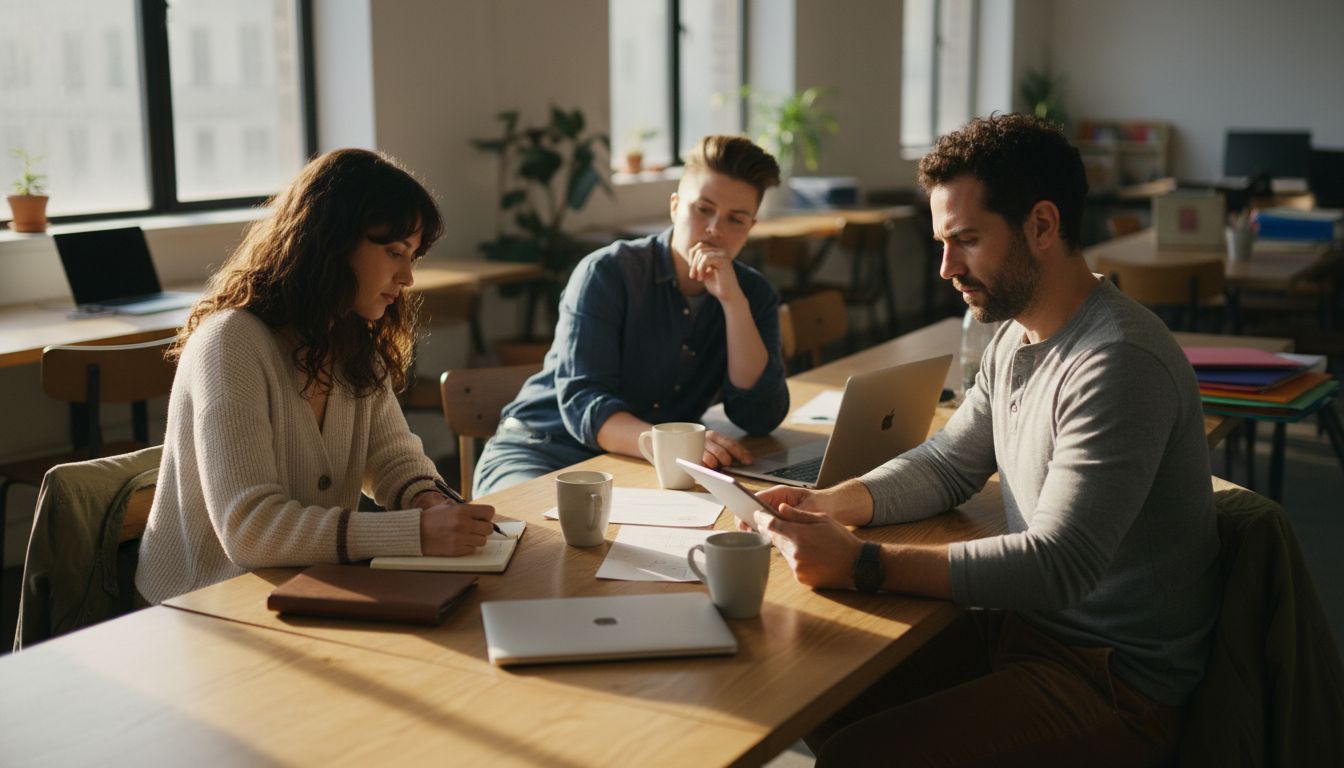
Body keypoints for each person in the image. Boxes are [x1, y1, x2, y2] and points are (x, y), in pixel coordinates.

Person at [751, 114, 1220, 767]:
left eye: (966, 240)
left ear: (1043, 225)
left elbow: (1059, 565)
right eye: (942, 242)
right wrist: (831, 503)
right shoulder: (1014, 336)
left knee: (856, 755)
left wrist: (862, 563)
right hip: (1025, 634)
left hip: (1111, 682)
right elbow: (950, 463)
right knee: (816, 683)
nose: (946, 268)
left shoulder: (1117, 362)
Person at [136, 148, 496, 605]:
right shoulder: (231, 342)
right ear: (332, 243)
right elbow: (249, 529)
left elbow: (393, 460)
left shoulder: (350, 340)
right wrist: (415, 532)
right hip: (201, 602)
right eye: (394, 252)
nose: (407, 277)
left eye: (412, 257)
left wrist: (431, 500)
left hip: (300, 587)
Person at [472, 135, 790, 496]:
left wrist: (734, 304)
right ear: (675, 207)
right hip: (542, 451)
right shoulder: (607, 273)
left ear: (751, 228)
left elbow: (759, 416)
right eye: (703, 209)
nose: (715, 228)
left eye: (736, 219)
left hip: (643, 465)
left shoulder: (753, 294)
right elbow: (584, 403)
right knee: (540, 527)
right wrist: (669, 446)